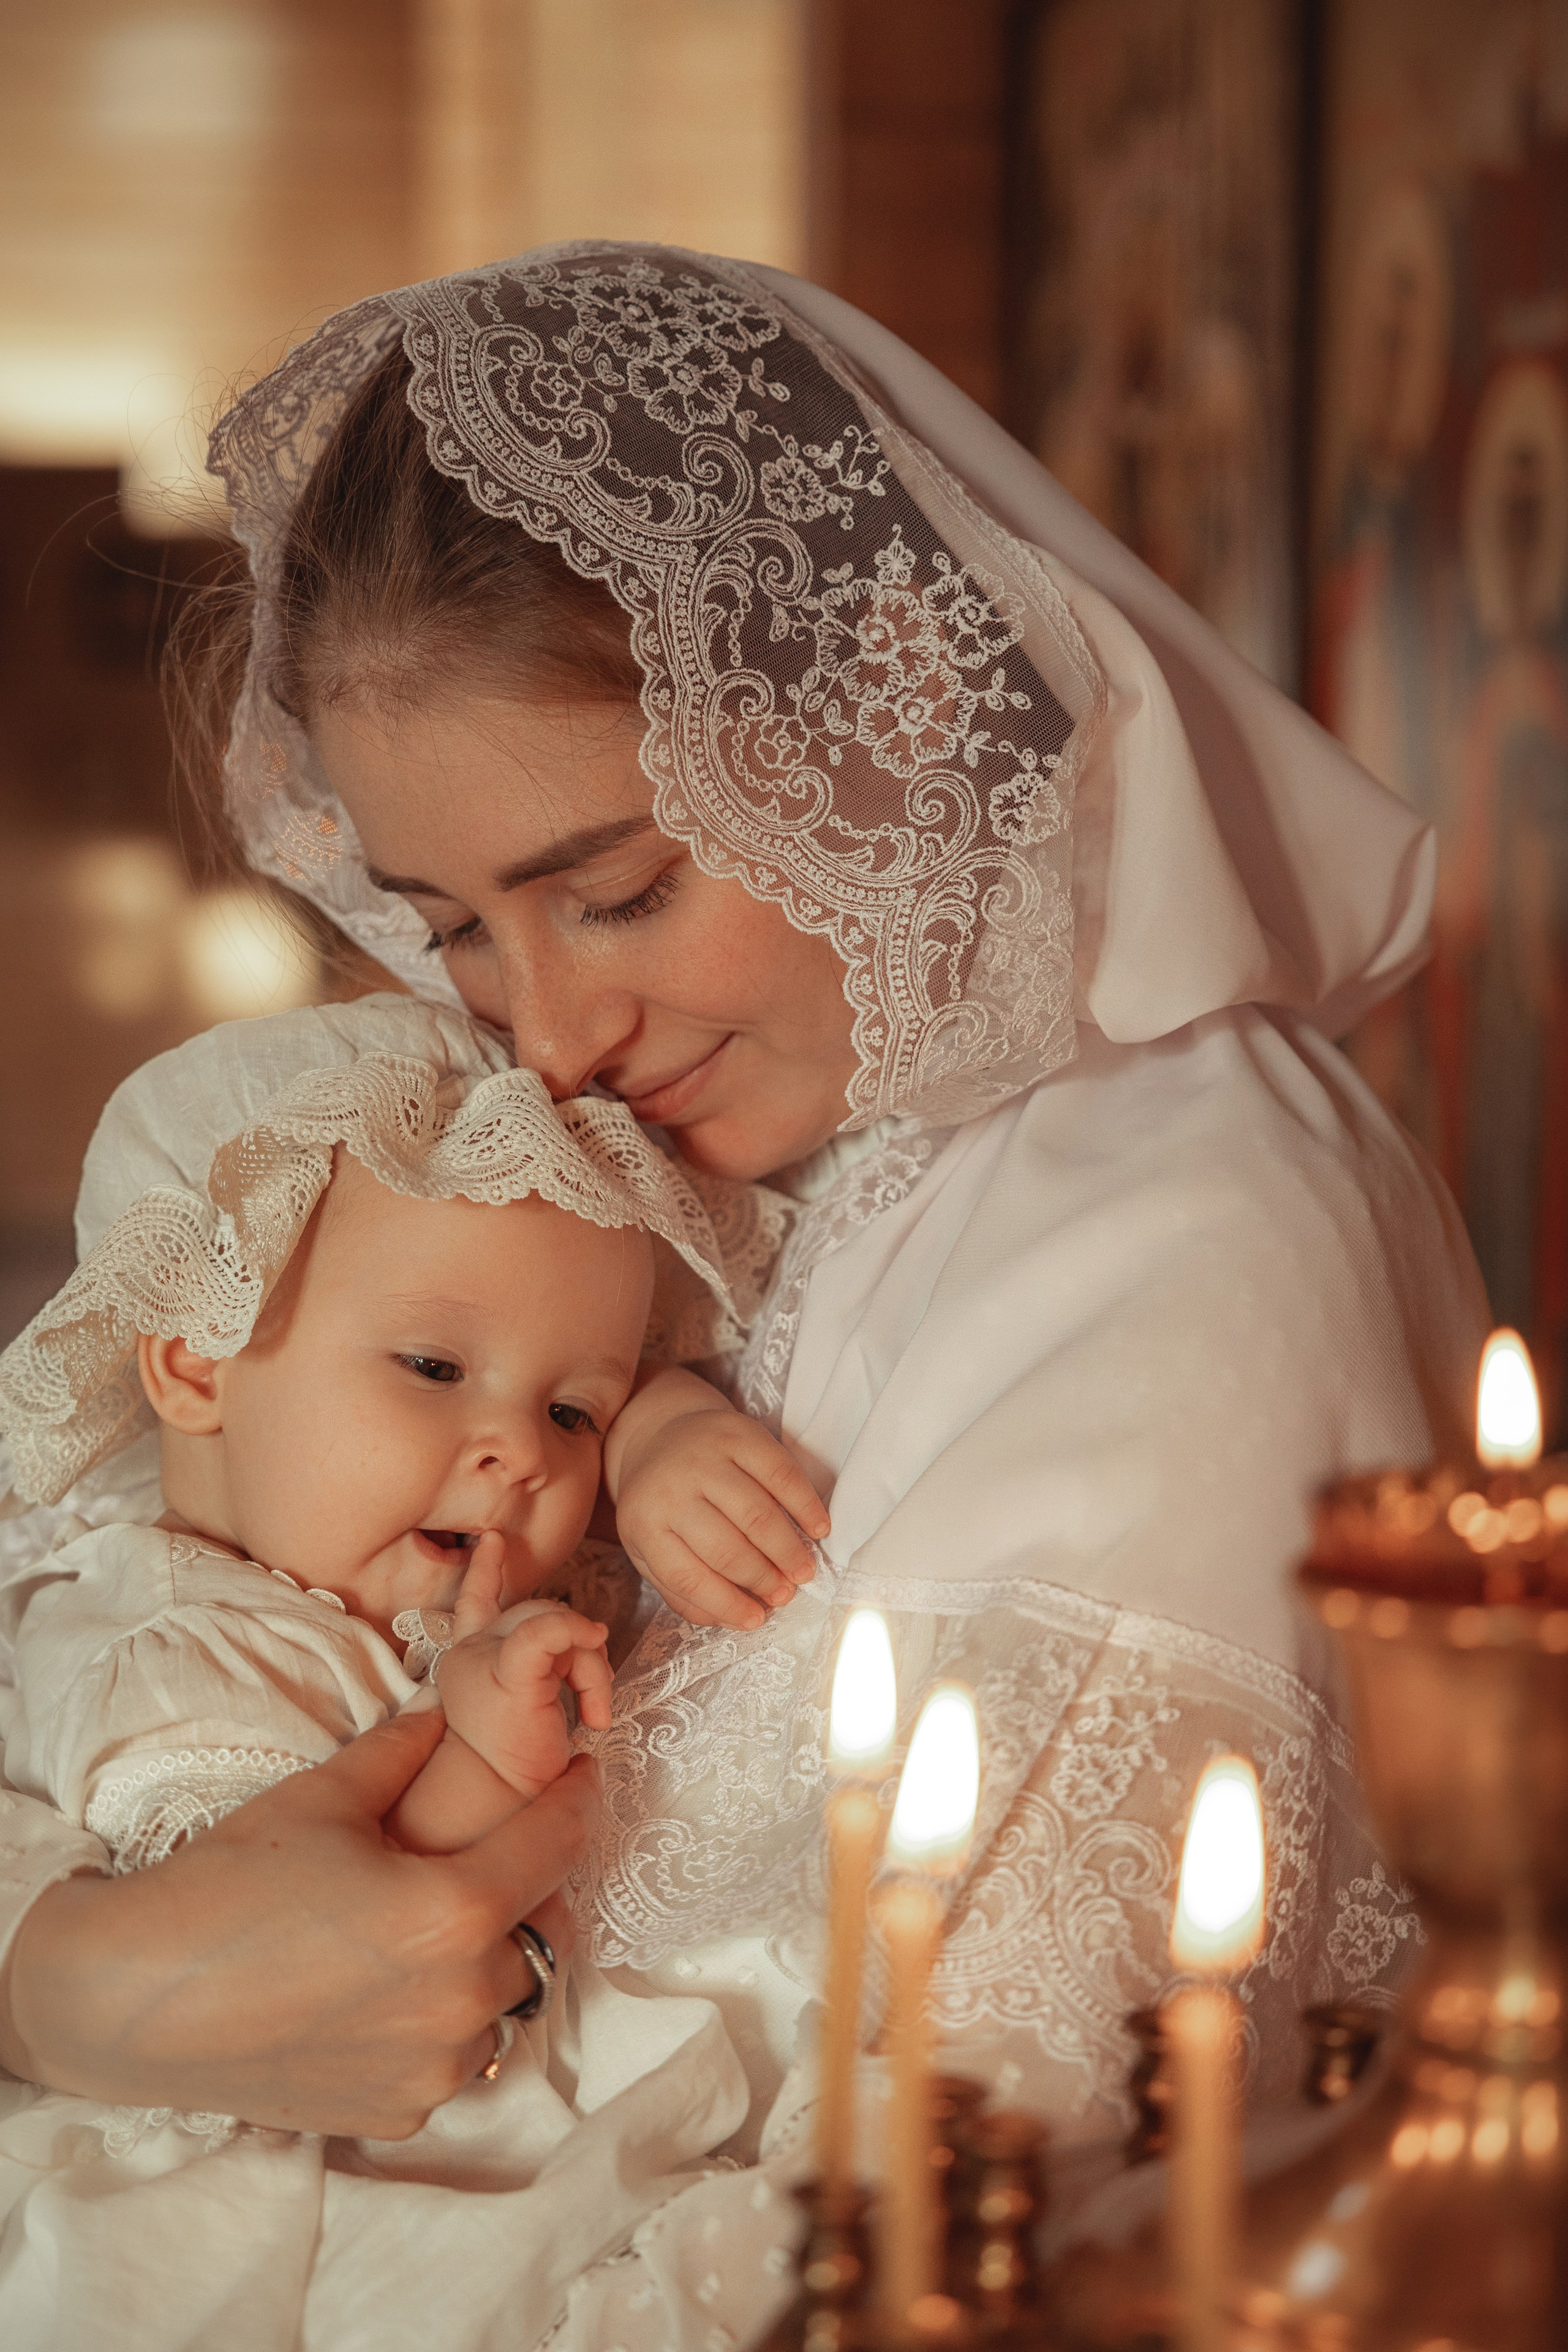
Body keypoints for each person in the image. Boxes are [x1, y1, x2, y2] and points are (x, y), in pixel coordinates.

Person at [0, 243, 1489, 2350]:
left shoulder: (1196, 1226)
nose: (545, 1036)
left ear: (889, 707)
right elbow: (107, 1622)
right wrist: (69, 1980)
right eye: (456, 928)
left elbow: (968, 2196)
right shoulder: (577, 1158)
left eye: (616, 893)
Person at [0, 990, 830, 2343]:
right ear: (197, 1361)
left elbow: (599, 1374)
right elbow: (295, 1954)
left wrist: (656, 1434)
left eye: (572, 1411)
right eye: (435, 1365)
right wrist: (483, 1752)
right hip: (252, 2195)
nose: (525, 1452)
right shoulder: (167, 1645)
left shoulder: (384, 1567)